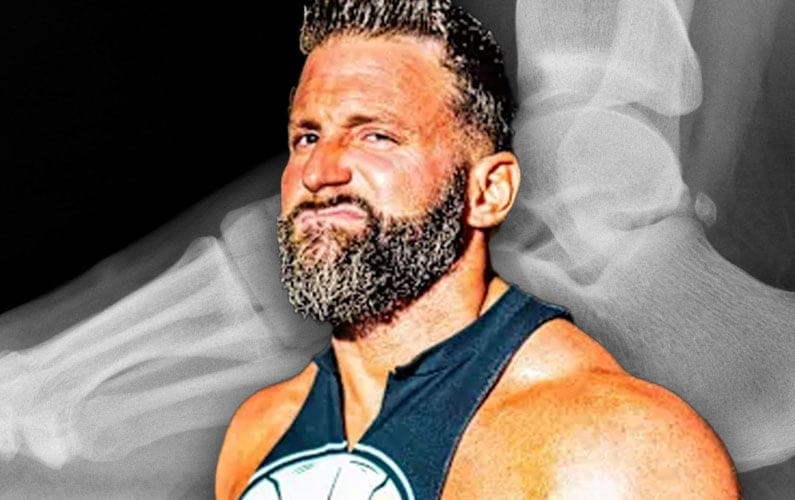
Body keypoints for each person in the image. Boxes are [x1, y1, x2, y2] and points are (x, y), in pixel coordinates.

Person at [215, 1, 738, 498]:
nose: (318, 172)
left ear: (489, 192)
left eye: (376, 136)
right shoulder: (259, 432)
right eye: (307, 137)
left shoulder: (616, 448)